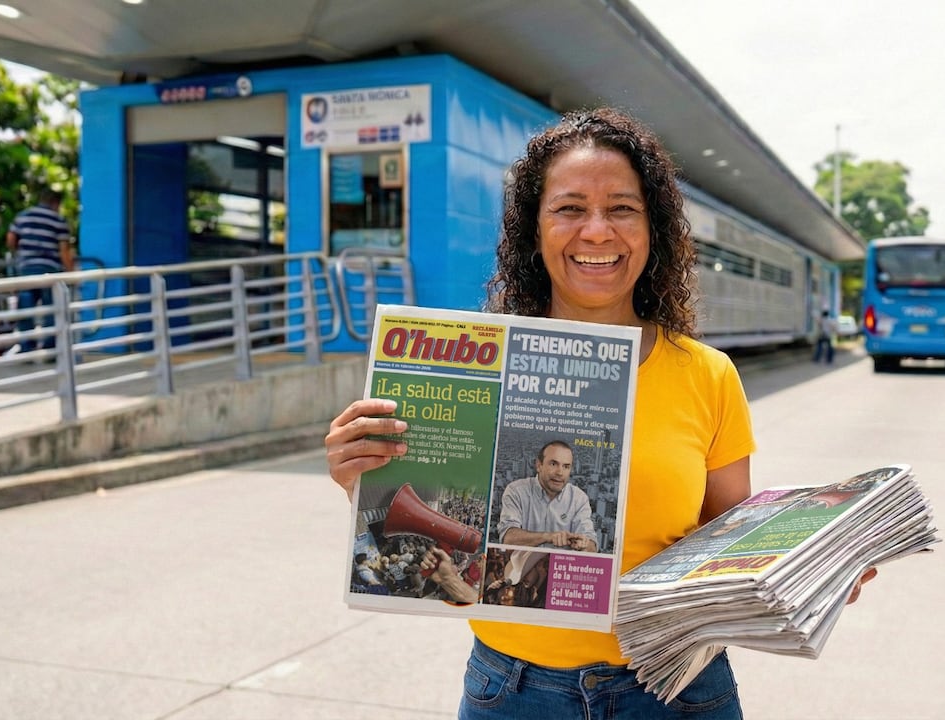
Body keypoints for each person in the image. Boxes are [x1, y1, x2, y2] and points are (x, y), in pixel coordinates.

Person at [324, 107, 876, 718]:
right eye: (569, 208)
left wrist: (808, 568)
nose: (596, 232)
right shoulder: (472, 364)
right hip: (512, 693)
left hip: (677, 689)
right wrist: (362, 476)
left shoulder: (709, 374)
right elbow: (445, 540)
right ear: (534, 230)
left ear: (652, 230)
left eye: (621, 208)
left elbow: (728, 542)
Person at [5, 188, 75, 355]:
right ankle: (49, 349)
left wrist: (20, 252)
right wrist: (71, 273)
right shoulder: (58, 220)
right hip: (49, 270)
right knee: (51, 310)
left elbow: (10, 239)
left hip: (27, 269)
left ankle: (26, 348)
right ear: (55, 203)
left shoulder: (23, 216)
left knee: (26, 310)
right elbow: (64, 251)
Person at [496, 440, 597, 552]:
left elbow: (592, 545)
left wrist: (583, 545)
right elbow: (508, 538)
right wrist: (548, 537)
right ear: (539, 465)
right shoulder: (516, 491)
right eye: (553, 464)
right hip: (521, 568)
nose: (560, 472)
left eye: (566, 466)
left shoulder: (579, 499)